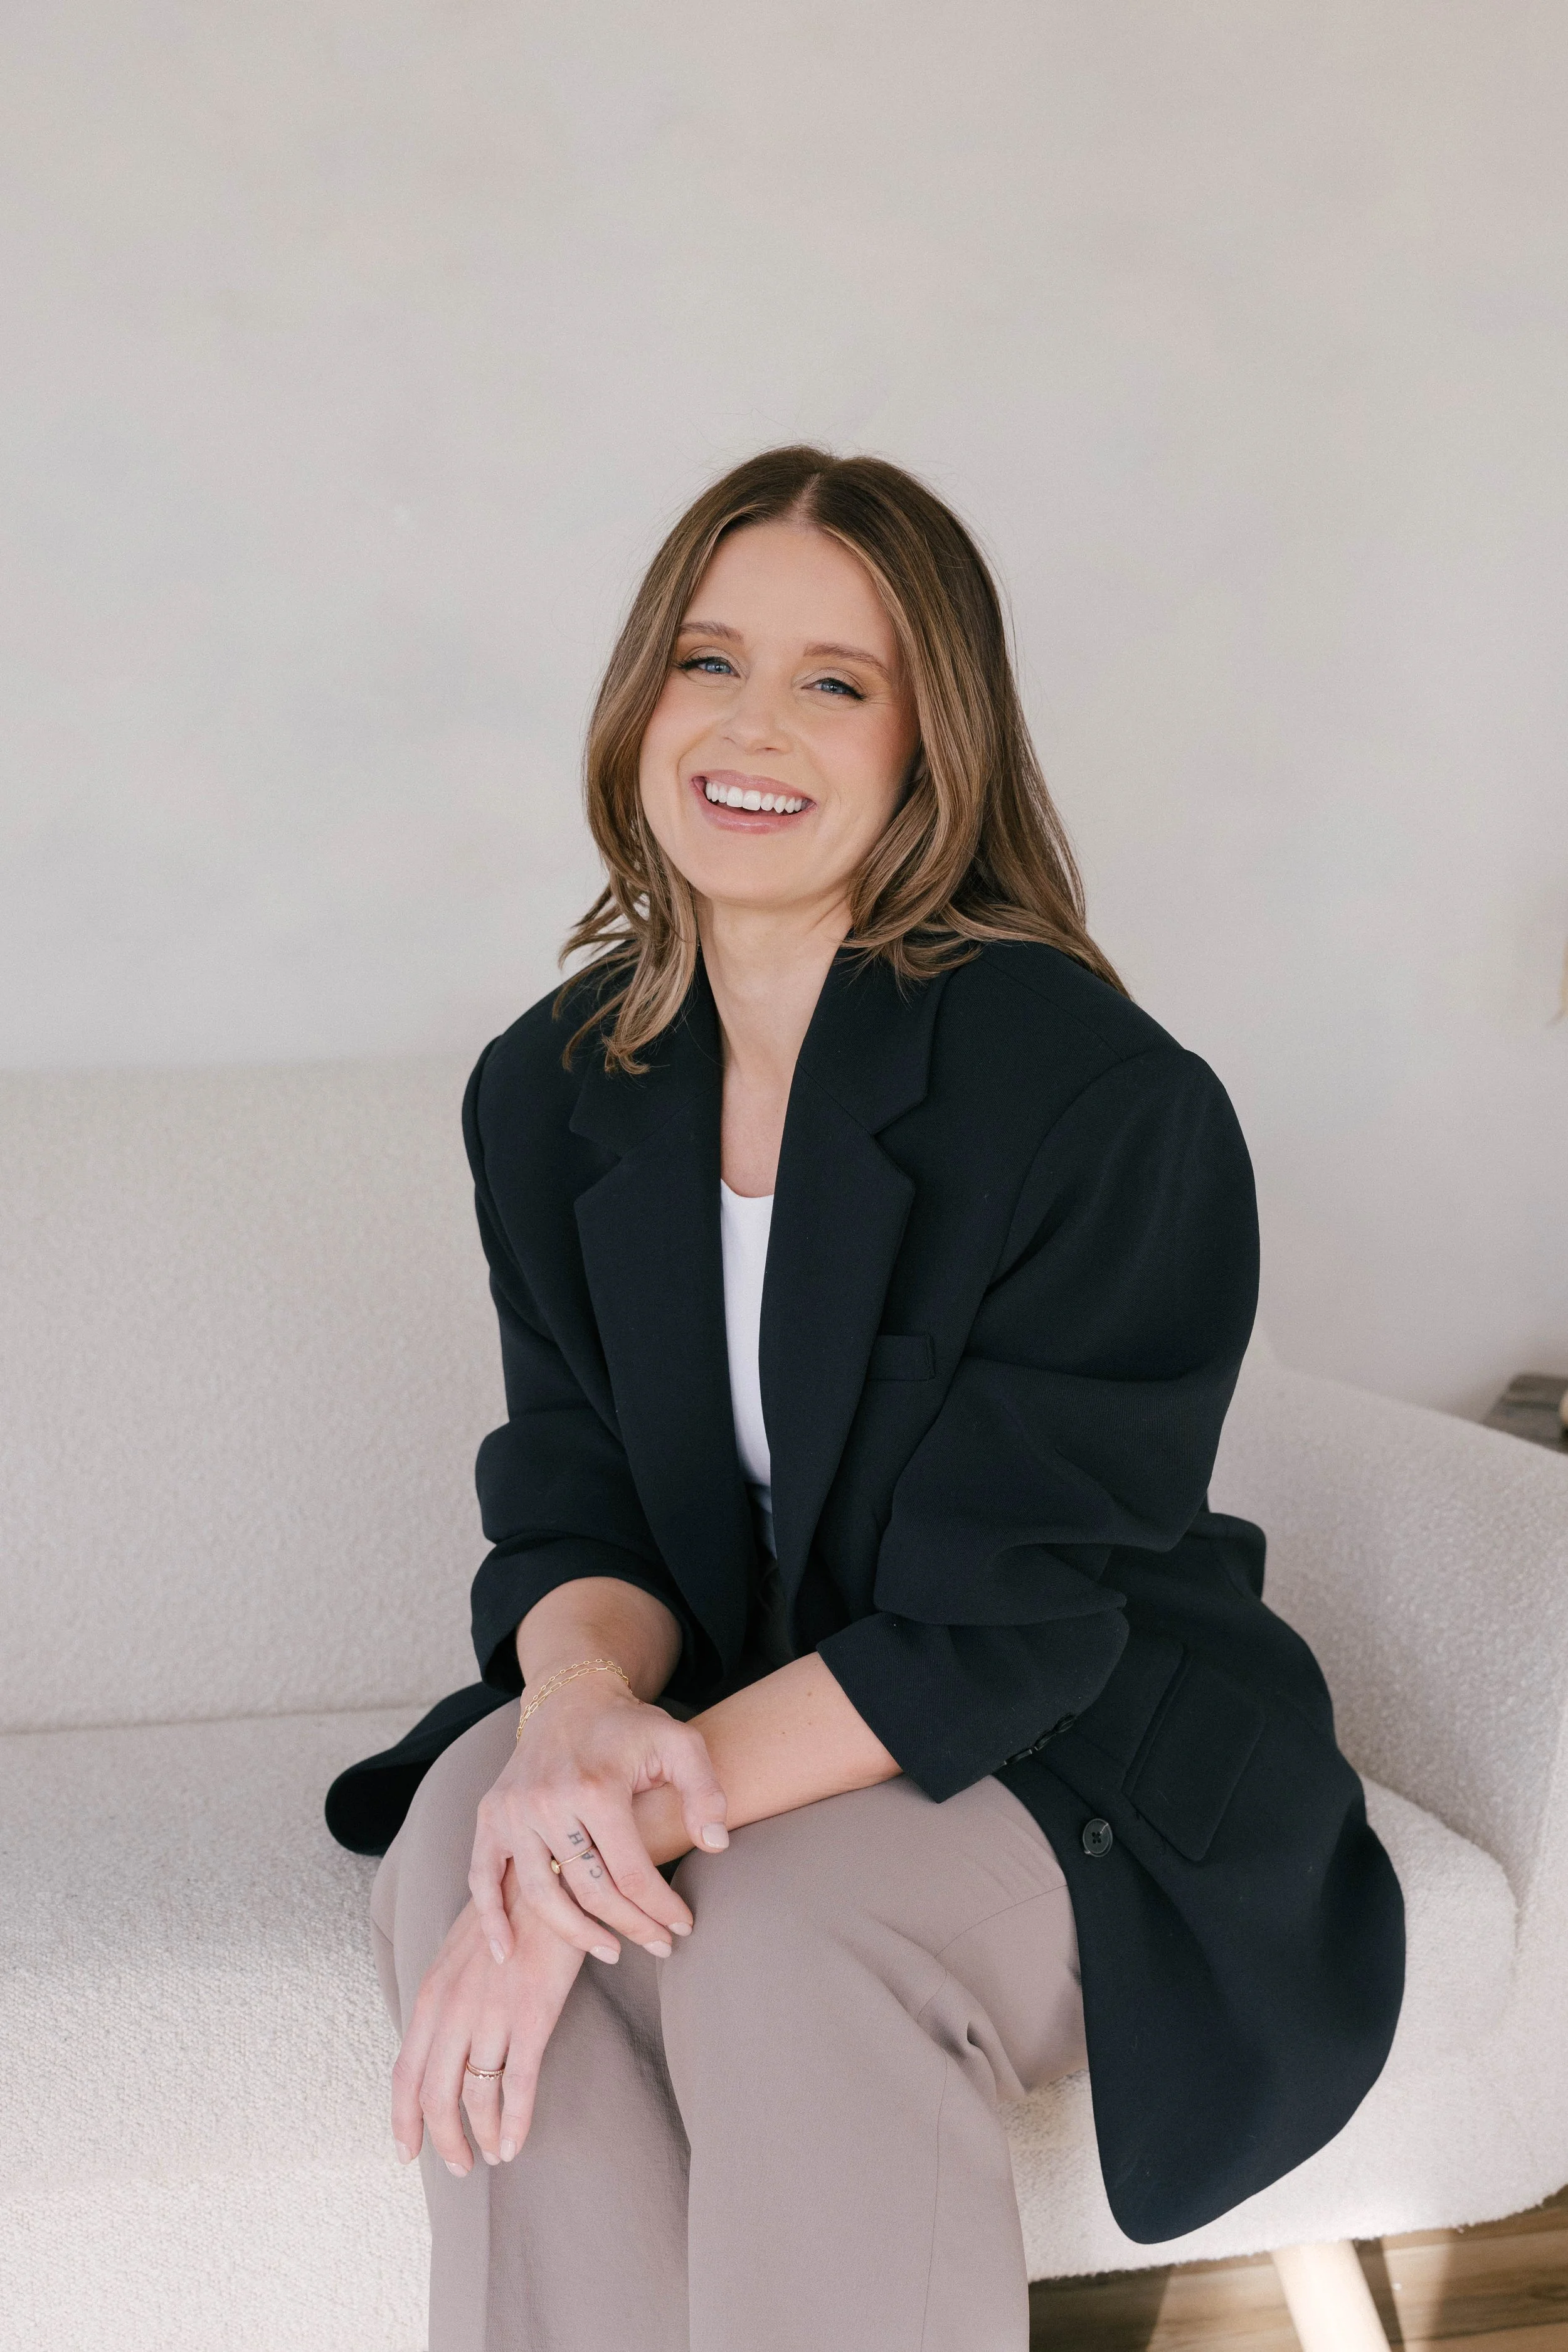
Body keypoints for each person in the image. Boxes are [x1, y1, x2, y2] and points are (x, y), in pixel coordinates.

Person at [327, 446, 1404, 2352]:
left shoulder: (1096, 1099)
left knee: (766, 1936)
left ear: (932, 744)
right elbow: (571, 1501)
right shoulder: (553, 1085)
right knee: (461, 1840)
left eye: (834, 680)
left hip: (1061, 1745)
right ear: (638, 699)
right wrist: (575, 1718)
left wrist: (622, 1818)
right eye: (704, 659)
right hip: (736, 1695)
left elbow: (1004, 1625)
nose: (750, 725)